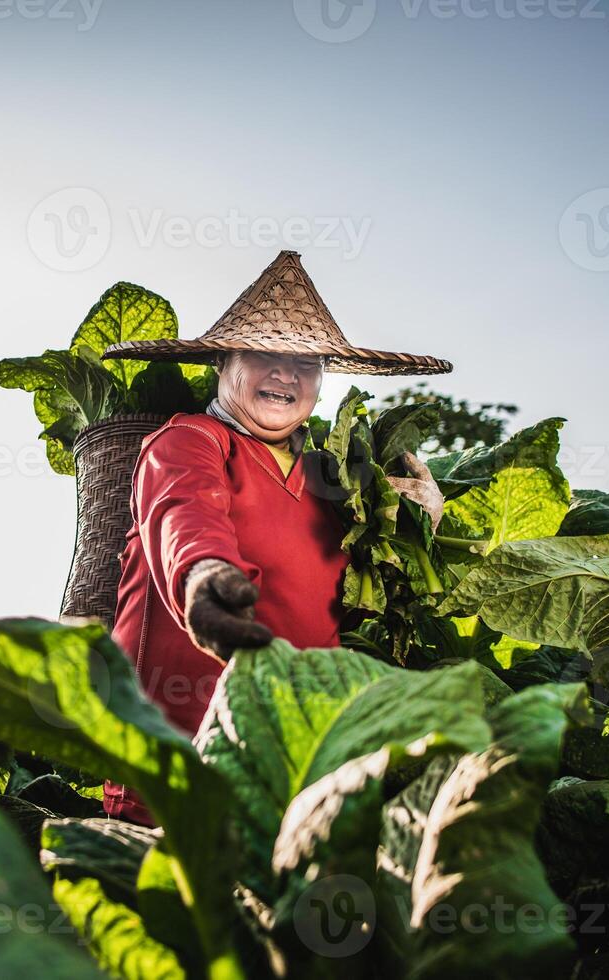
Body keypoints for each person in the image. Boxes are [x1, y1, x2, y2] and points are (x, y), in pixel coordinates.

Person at [98, 250, 453, 823]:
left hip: (296, 763)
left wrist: (417, 526)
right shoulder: (190, 440)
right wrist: (205, 580)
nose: (287, 374)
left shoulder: (332, 479)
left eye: (307, 364)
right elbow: (183, 517)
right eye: (265, 354)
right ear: (222, 362)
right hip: (176, 759)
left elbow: (344, 604)